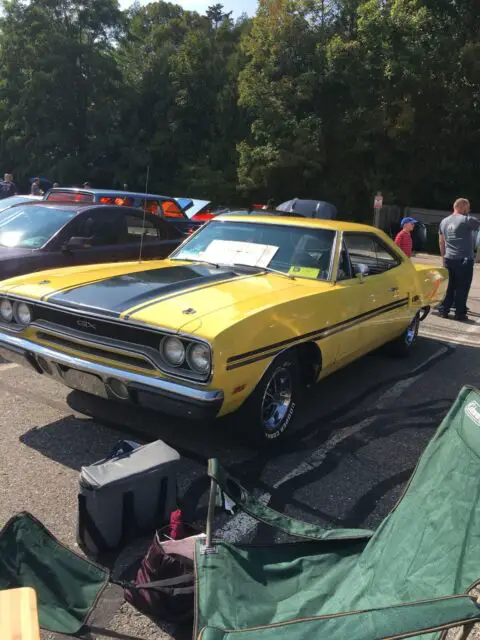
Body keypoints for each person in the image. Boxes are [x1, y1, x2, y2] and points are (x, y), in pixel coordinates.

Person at [437, 198, 480, 321]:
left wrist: (443, 258)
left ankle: (444, 310)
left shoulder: (444, 222)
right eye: (468, 208)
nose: (469, 210)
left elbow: (441, 242)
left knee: (449, 287)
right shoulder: (468, 220)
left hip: (449, 258)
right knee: (462, 287)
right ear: (462, 207)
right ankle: (459, 313)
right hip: (464, 259)